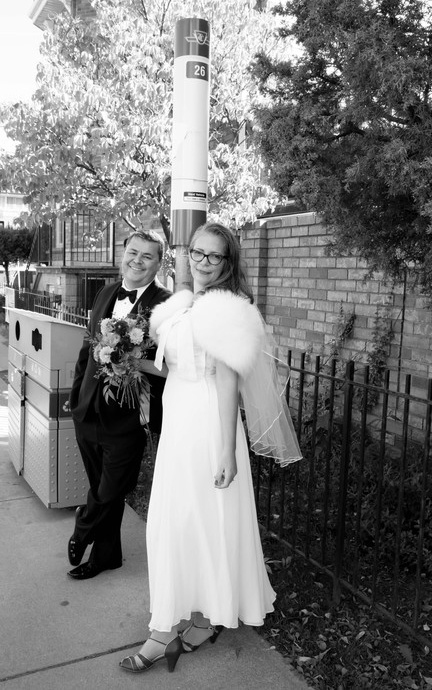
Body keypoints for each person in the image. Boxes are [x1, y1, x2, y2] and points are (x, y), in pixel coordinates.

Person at [119, 222, 302, 673]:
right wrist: (123, 358)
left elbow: (225, 381)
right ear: (187, 255)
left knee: (191, 520)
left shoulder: (226, 309)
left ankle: (163, 633)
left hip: (207, 425)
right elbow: (177, 366)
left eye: (213, 255)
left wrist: (225, 452)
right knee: (181, 520)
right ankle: (199, 621)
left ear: (227, 262)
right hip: (178, 421)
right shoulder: (184, 303)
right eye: (197, 252)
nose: (202, 262)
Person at [67, 229, 171, 580]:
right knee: (101, 486)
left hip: (128, 416)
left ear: (159, 264)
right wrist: (75, 396)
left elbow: (169, 365)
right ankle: (106, 556)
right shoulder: (105, 292)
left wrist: (131, 359)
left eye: (147, 256)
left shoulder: (166, 305)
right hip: (88, 410)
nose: (137, 261)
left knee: (111, 487)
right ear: (123, 253)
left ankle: (83, 526)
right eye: (133, 252)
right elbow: (87, 348)